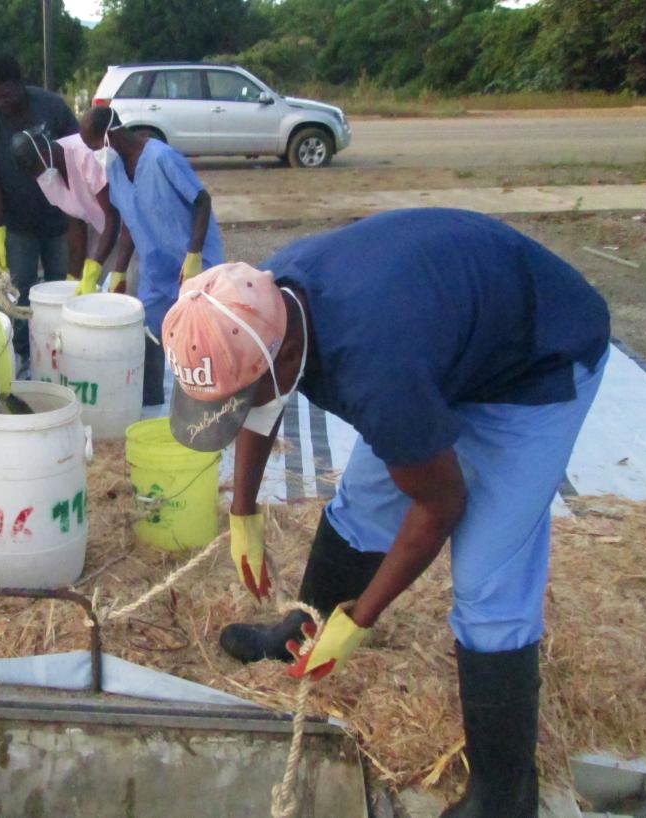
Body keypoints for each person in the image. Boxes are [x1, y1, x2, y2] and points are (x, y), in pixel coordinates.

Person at [160, 209, 611, 818]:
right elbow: (260, 396)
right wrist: (243, 510)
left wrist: (362, 616)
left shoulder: (377, 370)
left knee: (487, 582)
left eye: (242, 395)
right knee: (364, 503)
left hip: (537, 359)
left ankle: (505, 796)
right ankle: (303, 629)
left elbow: (442, 502)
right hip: (447, 337)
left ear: (284, 354)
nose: (238, 411)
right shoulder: (259, 297)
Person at [80, 106, 222, 406]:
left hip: (192, 264)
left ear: (109, 135)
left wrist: (194, 253)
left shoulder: (160, 158)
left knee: (200, 336)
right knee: (147, 332)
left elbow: (201, 200)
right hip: (156, 269)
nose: (94, 153)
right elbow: (130, 221)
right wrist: (118, 271)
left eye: (94, 146)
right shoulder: (115, 168)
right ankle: (152, 402)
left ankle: (210, 401)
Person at [0, 53, 79, 361]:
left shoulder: (52, 107)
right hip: (18, 226)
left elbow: (77, 158)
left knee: (62, 287)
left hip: (60, 221)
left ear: (19, 84)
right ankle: (22, 355)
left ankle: (65, 351)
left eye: (5, 94)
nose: (0, 103)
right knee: (19, 292)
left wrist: (78, 217)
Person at [9, 127, 121, 295]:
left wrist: (95, 265)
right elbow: (75, 223)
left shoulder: (84, 155)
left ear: (45, 153)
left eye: (34, 170)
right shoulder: (46, 173)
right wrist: (73, 275)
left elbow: (112, 215)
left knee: (125, 288)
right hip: (102, 229)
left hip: (128, 228)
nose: (35, 177)